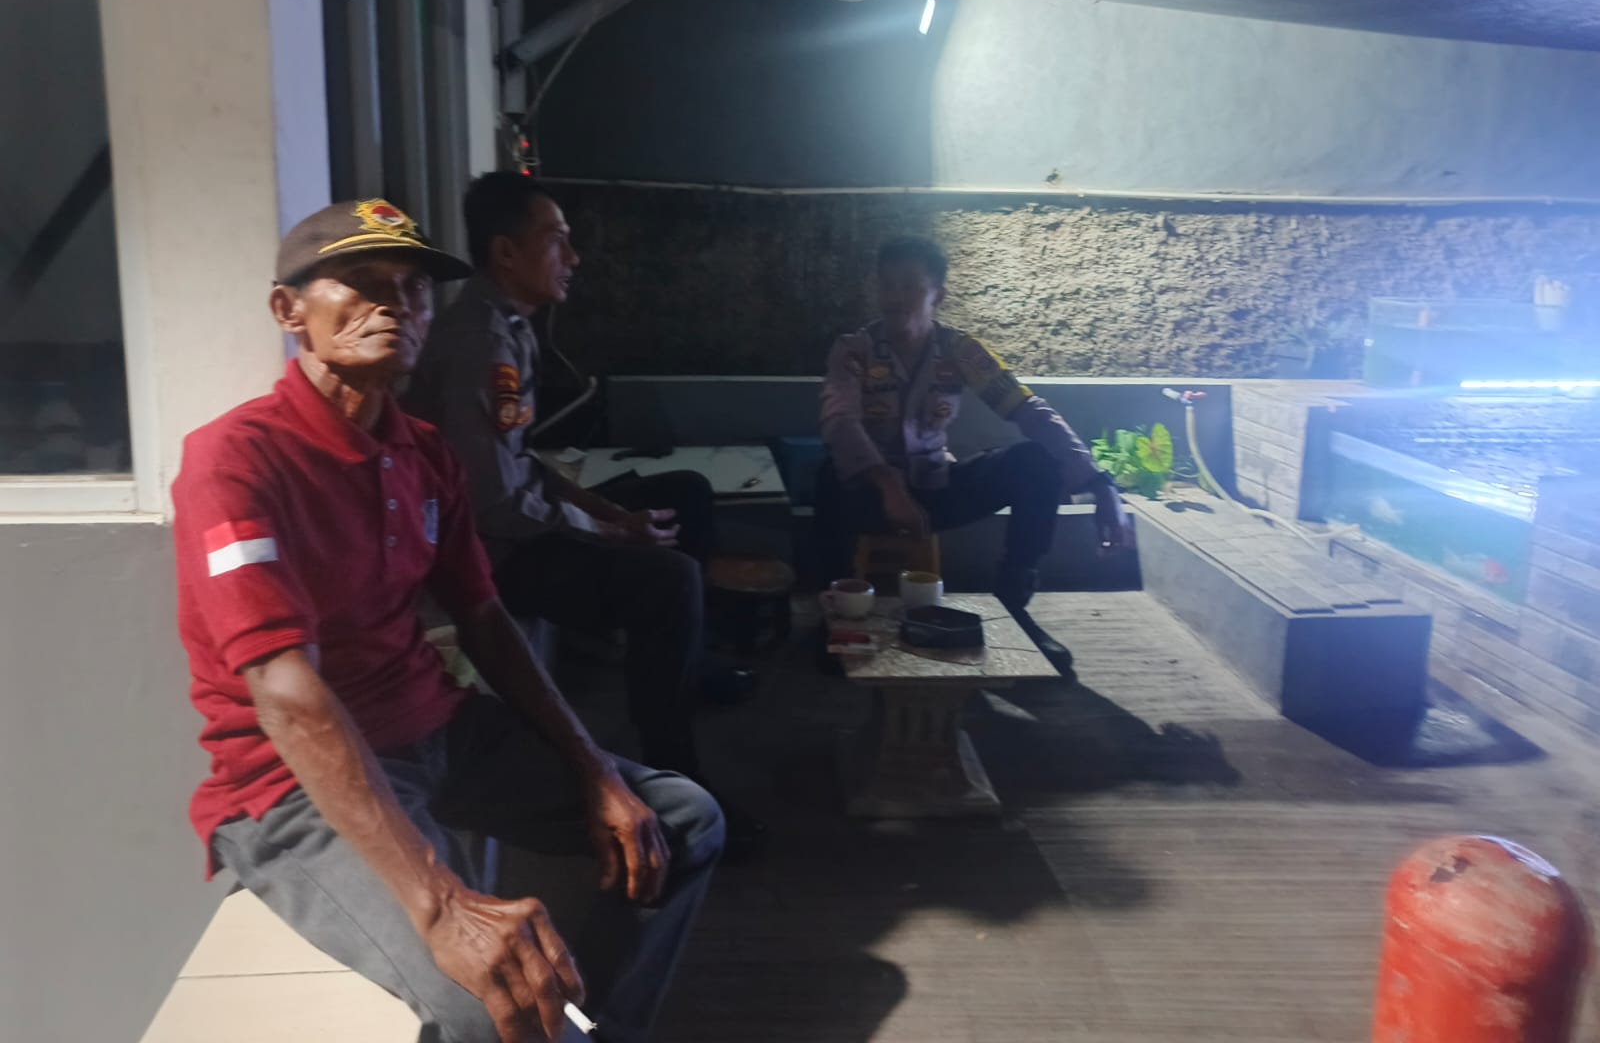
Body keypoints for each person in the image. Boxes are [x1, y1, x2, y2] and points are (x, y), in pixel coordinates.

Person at [172, 199, 722, 1043]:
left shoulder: (423, 452)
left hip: (440, 732)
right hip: (290, 785)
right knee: (483, 1002)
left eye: (413, 289)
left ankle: (597, 1028)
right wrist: (442, 903)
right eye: (361, 284)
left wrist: (594, 769)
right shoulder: (236, 459)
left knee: (681, 821)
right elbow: (285, 692)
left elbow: (484, 617)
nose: (395, 304)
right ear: (289, 311)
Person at [404, 172, 765, 860]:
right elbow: (494, 503)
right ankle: (677, 775)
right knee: (667, 580)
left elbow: (518, 462)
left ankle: (688, 665)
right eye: (557, 240)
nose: (573, 258)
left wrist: (607, 511)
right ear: (506, 252)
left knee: (686, 492)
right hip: (489, 554)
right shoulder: (480, 342)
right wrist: (609, 529)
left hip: (510, 523)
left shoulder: (511, 328)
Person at [817, 236, 1131, 679]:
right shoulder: (854, 351)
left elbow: (1028, 410)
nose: (895, 297)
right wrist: (888, 484)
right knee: (828, 476)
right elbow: (840, 420)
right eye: (887, 285)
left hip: (936, 489)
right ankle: (836, 618)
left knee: (1034, 463)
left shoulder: (962, 352)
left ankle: (1013, 607)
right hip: (870, 494)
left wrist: (1100, 483)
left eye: (909, 286)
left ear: (938, 295)